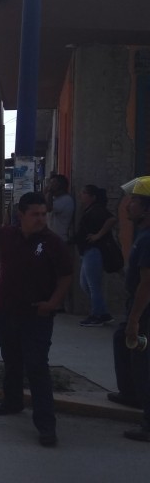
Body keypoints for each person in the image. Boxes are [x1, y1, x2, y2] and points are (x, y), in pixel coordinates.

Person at [0, 192, 73, 448]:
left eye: (43, 214)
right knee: (12, 361)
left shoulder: (53, 243)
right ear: (22, 216)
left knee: (37, 368)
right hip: (6, 312)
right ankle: (12, 402)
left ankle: (46, 425)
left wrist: (52, 303)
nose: (41, 219)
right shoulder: (7, 234)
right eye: (35, 214)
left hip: (37, 317)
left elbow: (65, 277)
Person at [107, 176, 150, 441]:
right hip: (136, 307)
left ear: (147, 209)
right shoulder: (141, 235)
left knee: (143, 364)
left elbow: (147, 283)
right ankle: (131, 394)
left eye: (134, 201)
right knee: (120, 340)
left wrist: (135, 319)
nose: (128, 205)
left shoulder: (147, 239)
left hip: (144, 311)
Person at [74, 185, 118, 326]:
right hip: (87, 251)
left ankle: (97, 315)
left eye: (84, 193)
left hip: (94, 251)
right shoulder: (89, 210)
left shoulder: (97, 209)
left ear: (93, 197)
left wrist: (98, 235)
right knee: (85, 284)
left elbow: (112, 219)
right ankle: (102, 312)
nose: (81, 195)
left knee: (93, 285)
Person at [45, 174, 74, 242]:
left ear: (59, 185)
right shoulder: (56, 198)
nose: (50, 185)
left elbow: (48, 208)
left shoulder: (66, 200)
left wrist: (49, 192)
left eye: (52, 183)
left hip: (59, 240)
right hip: (52, 239)